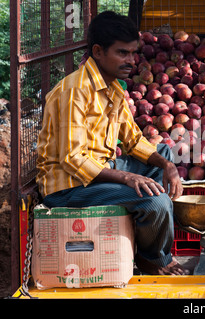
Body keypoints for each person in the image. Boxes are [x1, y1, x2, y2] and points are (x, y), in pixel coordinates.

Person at [35, 11, 187, 275]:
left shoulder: (114, 87)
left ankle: (147, 240)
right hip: (68, 188)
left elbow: (133, 140)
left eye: (132, 52)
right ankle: (153, 259)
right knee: (156, 201)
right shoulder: (75, 92)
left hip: (97, 171)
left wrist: (166, 164)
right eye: (122, 53)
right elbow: (73, 159)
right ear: (98, 51)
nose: (131, 60)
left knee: (162, 153)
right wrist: (126, 177)